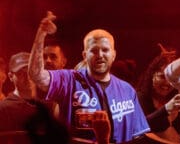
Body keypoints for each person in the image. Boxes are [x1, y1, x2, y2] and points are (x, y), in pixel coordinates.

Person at [28, 11, 150, 143]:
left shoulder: (127, 90)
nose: (100, 55)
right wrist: (41, 34)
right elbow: (37, 75)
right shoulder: (70, 80)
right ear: (84, 55)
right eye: (94, 50)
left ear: (114, 55)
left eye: (105, 50)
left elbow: (138, 136)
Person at [137, 44, 180, 143]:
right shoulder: (140, 98)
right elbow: (140, 126)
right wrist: (166, 109)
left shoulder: (175, 98)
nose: (167, 83)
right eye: (162, 77)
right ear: (152, 75)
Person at [0, 52, 38, 131]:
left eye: (30, 71)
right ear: (10, 76)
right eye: (21, 73)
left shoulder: (48, 107)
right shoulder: (3, 108)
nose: (27, 77)